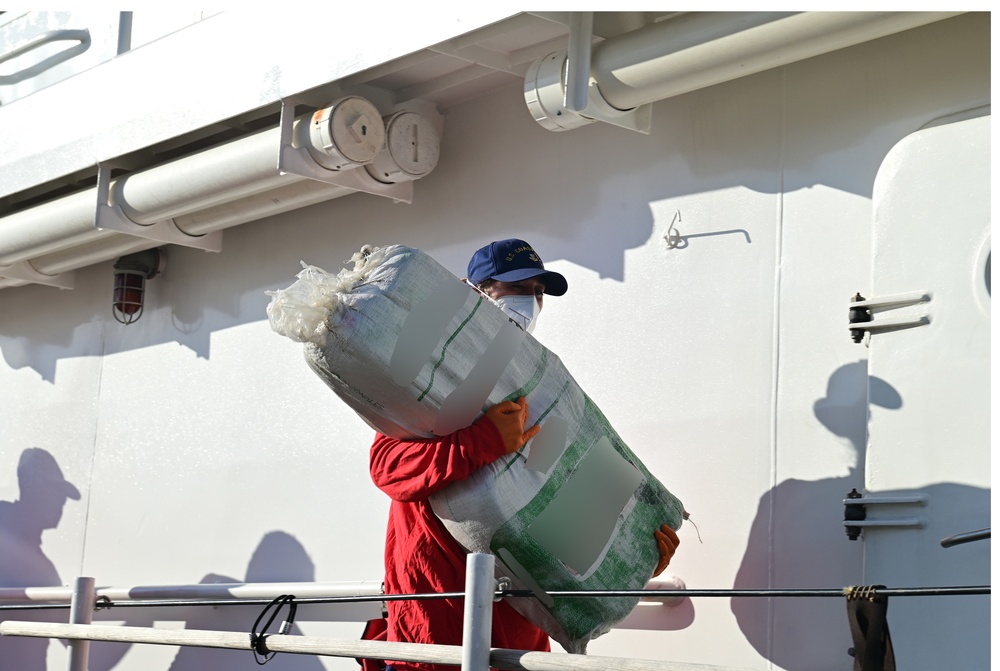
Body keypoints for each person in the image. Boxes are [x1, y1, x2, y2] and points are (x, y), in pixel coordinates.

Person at [366, 239, 679, 671]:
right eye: (515, 288)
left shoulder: (540, 385)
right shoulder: (434, 377)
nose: (528, 302)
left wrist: (632, 554)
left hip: (519, 637)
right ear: (473, 292)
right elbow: (388, 468)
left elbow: (560, 496)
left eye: (536, 292)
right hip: (440, 623)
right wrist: (482, 440)